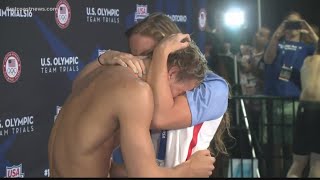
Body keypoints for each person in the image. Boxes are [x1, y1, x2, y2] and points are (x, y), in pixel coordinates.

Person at [73, 12, 230, 177]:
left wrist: (161, 54)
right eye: (134, 55)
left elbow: (159, 117)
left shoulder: (212, 86)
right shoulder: (136, 84)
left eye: (149, 54)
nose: (140, 62)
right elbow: (80, 88)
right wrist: (104, 59)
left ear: (174, 47)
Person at [48, 34, 215, 177]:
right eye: (179, 93)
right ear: (172, 74)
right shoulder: (137, 92)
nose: (175, 101)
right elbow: (143, 176)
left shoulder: (106, 68)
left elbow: (88, 153)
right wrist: (188, 170)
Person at [263, 11, 318, 176]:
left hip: (295, 102)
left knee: (294, 148)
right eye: (289, 23)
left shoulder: (308, 48)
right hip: (274, 100)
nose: (292, 27)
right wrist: (277, 34)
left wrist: (308, 30)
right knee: (275, 144)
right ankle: (277, 174)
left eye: (296, 24)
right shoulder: (276, 44)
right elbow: (268, 59)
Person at [287, 40, 320, 178]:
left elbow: (284, 72)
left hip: (304, 108)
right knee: (317, 163)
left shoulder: (307, 60)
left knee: (298, 162)